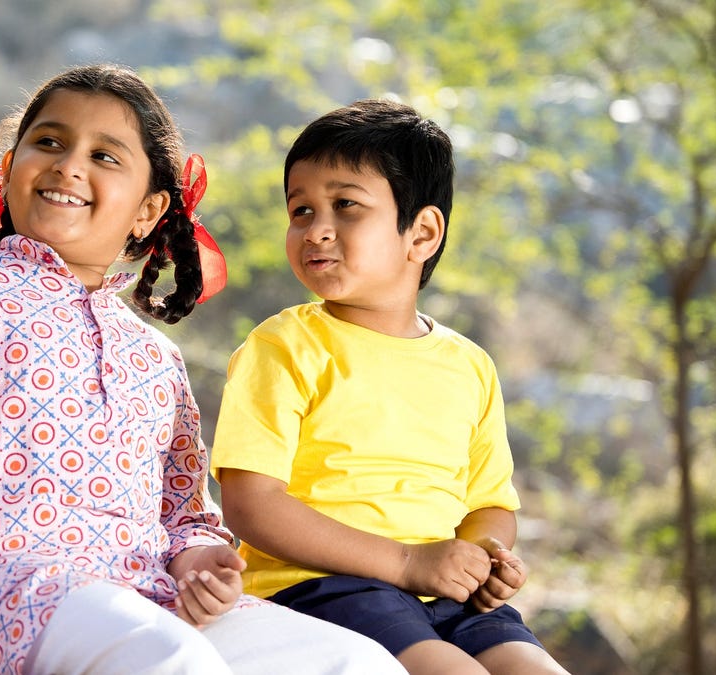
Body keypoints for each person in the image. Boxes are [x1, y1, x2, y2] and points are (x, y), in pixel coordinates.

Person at [0, 62, 404, 675]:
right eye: (48, 142)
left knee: (354, 661)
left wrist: (200, 564)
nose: (69, 164)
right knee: (164, 656)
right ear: (7, 171)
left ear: (148, 210)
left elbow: (182, 514)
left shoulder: (155, 358)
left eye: (105, 156)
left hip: (145, 597)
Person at [209, 99, 570, 675]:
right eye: (300, 210)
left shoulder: (469, 365)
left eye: (345, 205)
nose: (315, 230)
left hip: (446, 598)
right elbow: (252, 506)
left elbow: (490, 505)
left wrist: (482, 561)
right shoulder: (283, 346)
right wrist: (406, 563)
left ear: (421, 232)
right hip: (324, 588)